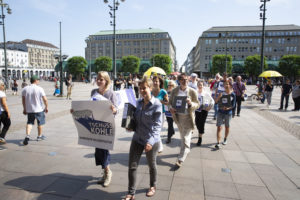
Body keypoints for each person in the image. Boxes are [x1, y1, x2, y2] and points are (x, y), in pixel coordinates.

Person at [123, 77, 162, 200]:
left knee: (151, 164)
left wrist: (150, 142)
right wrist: (130, 126)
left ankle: (152, 186)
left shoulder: (157, 105)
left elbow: (157, 126)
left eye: (144, 88)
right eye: (140, 88)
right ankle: (131, 193)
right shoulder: (138, 103)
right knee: (132, 166)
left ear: (150, 88)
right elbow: (134, 120)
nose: (142, 90)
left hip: (151, 140)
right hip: (137, 139)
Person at [91, 71, 118, 187]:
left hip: (107, 124)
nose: (98, 81)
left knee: (104, 149)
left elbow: (116, 110)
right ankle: (105, 171)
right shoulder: (93, 92)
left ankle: (108, 172)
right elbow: (90, 105)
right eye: (97, 79)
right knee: (98, 150)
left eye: (101, 79)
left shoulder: (111, 93)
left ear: (106, 80)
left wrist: (113, 109)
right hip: (95, 124)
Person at [169, 73, 200, 167]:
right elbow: (170, 103)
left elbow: (197, 104)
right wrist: (171, 108)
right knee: (183, 136)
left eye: (186, 79)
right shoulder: (174, 91)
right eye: (182, 79)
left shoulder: (192, 91)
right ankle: (187, 149)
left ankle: (181, 158)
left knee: (186, 137)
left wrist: (191, 104)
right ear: (179, 80)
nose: (185, 81)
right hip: (178, 117)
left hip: (188, 117)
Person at [22, 75, 48, 146]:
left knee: (29, 122)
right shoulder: (40, 88)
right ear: (36, 80)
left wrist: (24, 109)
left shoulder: (25, 89)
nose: (39, 81)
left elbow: (23, 100)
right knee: (40, 123)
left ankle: (27, 136)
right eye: (38, 80)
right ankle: (39, 136)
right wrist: (46, 107)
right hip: (39, 109)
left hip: (29, 110)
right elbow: (45, 99)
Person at [215, 81, 236, 149]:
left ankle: (225, 138)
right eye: (225, 84)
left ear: (230, 85)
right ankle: (218, 142)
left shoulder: (233, 94)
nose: (226, 85)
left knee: (227, 126)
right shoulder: (221, 93)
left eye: (227, 84)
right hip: (220, 112)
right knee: (219, 127)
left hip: (228, 113)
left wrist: (228, 108)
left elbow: (233, 105)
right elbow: (216, 102)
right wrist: (219, 97)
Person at [195, 80, 214, 146]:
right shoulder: (195, 93)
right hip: (197, 110)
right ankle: (201, 131)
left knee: (201, 123)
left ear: (203, 86)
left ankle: (200, 138)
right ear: (197, 85)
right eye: (199, 85)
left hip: (204, 111)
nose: (200, 86)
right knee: (197, 123)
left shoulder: (206, 93)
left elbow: (212, 101)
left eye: (201, 85)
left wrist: (209, 108)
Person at [152, 75, 168, 152]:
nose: (155, 83)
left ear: (160, 82)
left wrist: (160, 102)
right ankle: (157, 146)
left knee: (157, 130)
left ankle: (159, 146)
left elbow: (167, 103)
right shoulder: (150, 91)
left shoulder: (163, 92)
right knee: (153, 130)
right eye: (154, 81)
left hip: (161, 113)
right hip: (151, 113)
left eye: (157, 81)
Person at [0, 80, 11, 144]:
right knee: (7, 123)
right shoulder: (1, 93)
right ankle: (1, 137)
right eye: (2, 85)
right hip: (2, 111)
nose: (4, 86)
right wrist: (8, 112)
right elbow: (4, 104)